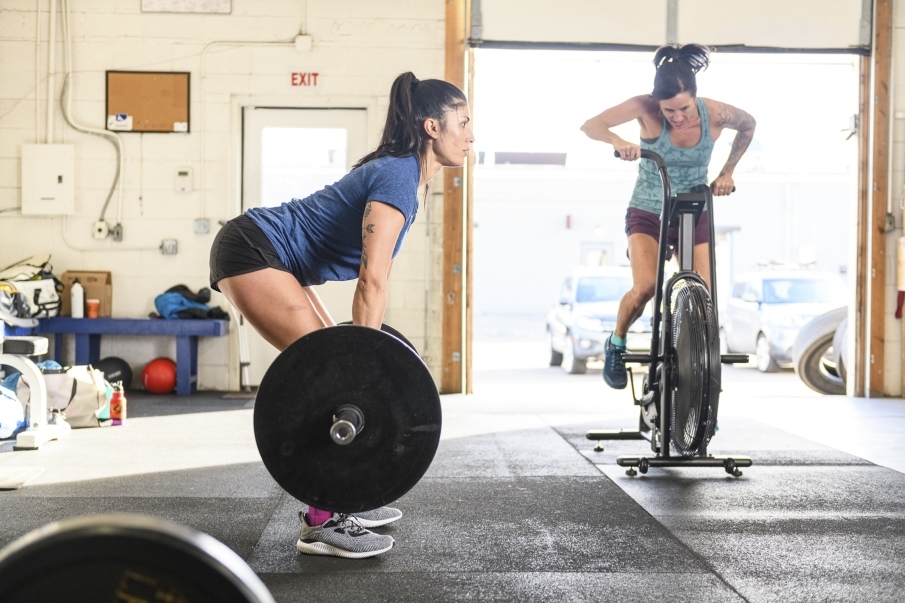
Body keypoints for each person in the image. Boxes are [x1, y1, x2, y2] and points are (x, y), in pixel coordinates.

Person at [209, 72, 474, 558]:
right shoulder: (398, 175)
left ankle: (342, 500)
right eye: (464, 122)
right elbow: (372, 280)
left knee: (332, 369)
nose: (471, 135)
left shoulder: (405, 176)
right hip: (253, 250)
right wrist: (363, 370)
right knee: (331, 383)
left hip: (275, 257)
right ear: (432, 127)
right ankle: (320, 523)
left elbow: (375, 279)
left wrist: (360, 363)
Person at [580, 43, 756, 390]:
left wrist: (727, 172)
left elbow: (749, 124)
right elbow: (590, 125)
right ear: (656, 102)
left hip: (693, 209)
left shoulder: (717, 114)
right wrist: (616, 139)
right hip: (649, 209)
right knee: (646, 287)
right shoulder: (644, 106)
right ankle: (617, 342)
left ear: (695, 97)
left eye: (684, 108)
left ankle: (698, 381)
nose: (676, 116)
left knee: (704, 296)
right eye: (669, 110)